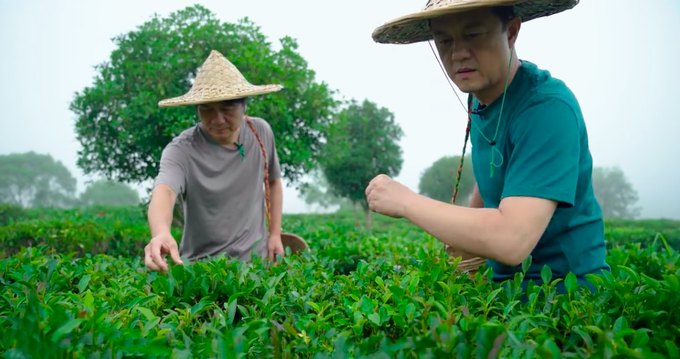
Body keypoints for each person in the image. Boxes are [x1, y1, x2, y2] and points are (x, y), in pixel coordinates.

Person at [365, 0, 610, 294]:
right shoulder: (479, 99)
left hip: (564, 297)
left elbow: (511, 240)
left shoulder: (546, 109)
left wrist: (405, 201)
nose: (457, 53)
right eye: (444, 40)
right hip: (502, 290)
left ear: (511, 31)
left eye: (474, 34)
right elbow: (495, 173)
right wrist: (463, 237)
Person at [144, 50, 286, 272]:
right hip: (202, 271)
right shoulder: (181, 150)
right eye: (207, 110)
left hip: (257, 268)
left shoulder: (260, 132)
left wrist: (275, 233)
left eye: (227, 107)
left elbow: (274, 181)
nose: (218, 119)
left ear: (244, 105)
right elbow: (165, 191)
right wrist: (161, 232)